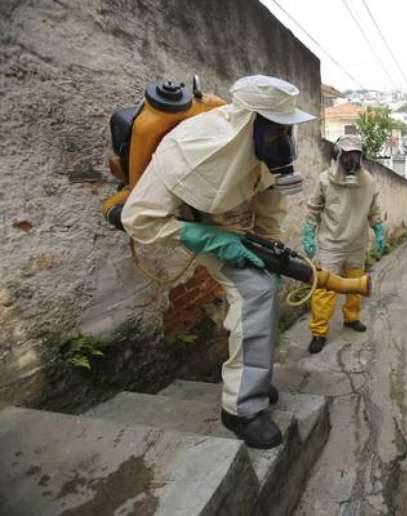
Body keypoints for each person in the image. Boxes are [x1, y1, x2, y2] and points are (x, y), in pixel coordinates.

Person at [121, 75, 315, 449]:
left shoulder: (265, 147)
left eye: (285, 130)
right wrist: (209, 238)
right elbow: (140, 219)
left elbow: (269, 206)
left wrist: (270, 252)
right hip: (199, 226)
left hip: (239, 230)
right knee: (255, 293)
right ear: (249, 122)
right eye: (276, 129)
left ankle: (250, 379)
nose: (283, 140)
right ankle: (241, 409)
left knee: (263, 289)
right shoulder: (188, 148)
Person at [302, 135, 385, 354]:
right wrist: (309, 233)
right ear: (338, 156)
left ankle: (351, 318)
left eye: (355, 156)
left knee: (355, 286)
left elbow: (374, 210)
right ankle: (319, 331)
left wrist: (378, 229)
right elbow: (313, 208)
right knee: (324, 290)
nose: (351, 161)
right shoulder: (324, 180)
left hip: (357, 244)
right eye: (346, 156)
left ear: (361, 158)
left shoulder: (368, 183)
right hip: (330, 246)